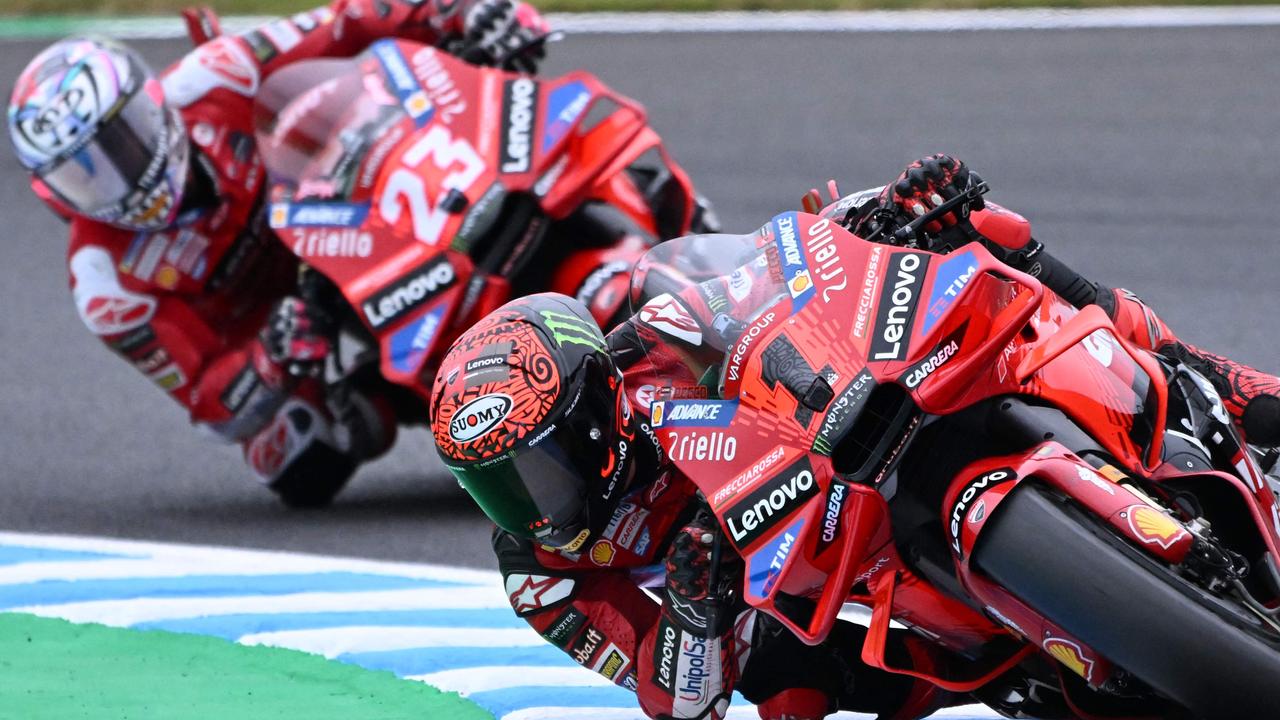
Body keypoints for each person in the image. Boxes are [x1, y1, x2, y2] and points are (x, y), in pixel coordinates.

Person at [428, 157, 1280, 720]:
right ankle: (1031, 656)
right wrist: (694, 611)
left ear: (587, 415)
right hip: (783, 601)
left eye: (527, 470)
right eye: (491, 483)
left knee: (986, 236)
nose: (518, 505)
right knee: (784, 700)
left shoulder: (645, 347)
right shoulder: (541, 574)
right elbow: (674, 701)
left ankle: (1204, 373)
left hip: (822, 452)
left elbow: (766, 274)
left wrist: (881, 214)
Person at [7, 0, 700, 507]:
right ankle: (489, 418)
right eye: (86, 172)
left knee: (528, 116)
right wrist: (269, 359)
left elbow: (350, 22)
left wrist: (461, 14)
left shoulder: (214, 78)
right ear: (55, 195)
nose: (120, 177)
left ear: (150, 103)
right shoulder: (107, 285)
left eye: (120, 142)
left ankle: (688, 254)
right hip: (306, 326)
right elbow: (211, 396)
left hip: (359, 210)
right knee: (300, 454)